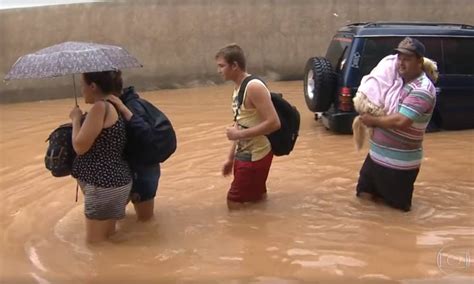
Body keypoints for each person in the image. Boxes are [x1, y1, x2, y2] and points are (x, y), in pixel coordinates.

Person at [356, 37, 437, 212]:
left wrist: (373, 121)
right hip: (375, 159)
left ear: (420, 62)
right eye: (399, 58)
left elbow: (402, 120)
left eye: (407, 59)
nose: (401, 62)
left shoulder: (422, 89)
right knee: (363, 199)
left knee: (396, 215)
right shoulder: (395, 80)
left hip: (399, 167)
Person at [215, 44, 281, 209]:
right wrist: (230, 158)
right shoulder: (238, 88)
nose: (219, 71)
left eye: (222, 66)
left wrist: (237, 136)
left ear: (235, 65)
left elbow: (274, 123)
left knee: (233, 201)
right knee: (257, 197)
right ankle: (263, 224)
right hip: (246, 153)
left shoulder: (254, 87)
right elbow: (240, 123)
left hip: (255, 155)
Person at [70, 70, 132, 243]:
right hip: (118, 183)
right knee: (109, 238)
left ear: (93, 86)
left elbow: (79, 146)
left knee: (95, 246)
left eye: (83, 86)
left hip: (102, 187)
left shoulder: (99, 108)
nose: (82, 91)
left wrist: (75, 119)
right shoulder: (113, 105)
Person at [108, 82, 161, 222]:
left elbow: (145, 135)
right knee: (145, 221)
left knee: (144, 221)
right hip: (147, 167)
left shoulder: (129, 107)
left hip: (141, 170)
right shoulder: (135, 102)